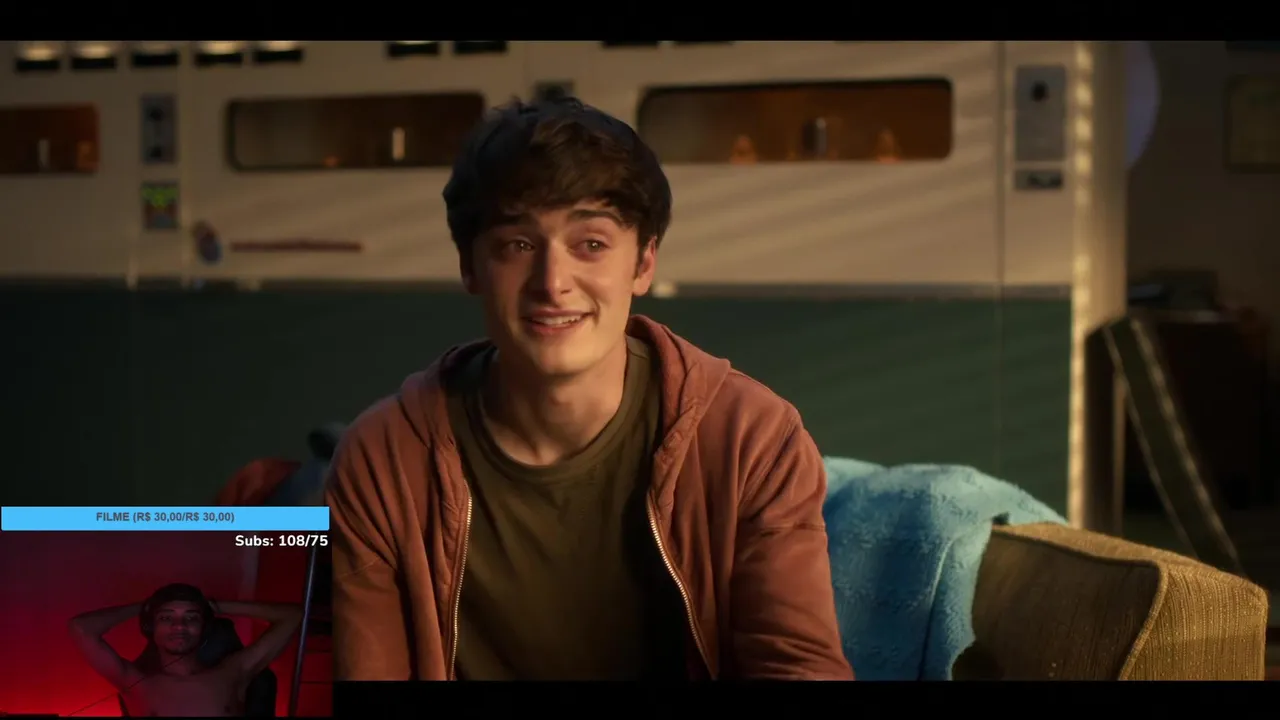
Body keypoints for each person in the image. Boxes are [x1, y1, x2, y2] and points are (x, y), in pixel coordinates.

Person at [326, 96, 854, 681]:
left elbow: (797, 669)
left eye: (591, 245)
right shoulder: (382, 460)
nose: (553, 283)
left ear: (643, 263)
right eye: (518, 245)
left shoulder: (751, 437)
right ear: (470, 267)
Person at [68, 583, 303, 716]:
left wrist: (215, 606)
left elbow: (292, 616)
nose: (179, 626)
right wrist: (147, 607)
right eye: (166, 618)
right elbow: (81, 628)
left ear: (204, 627)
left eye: (191, 618)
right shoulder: (134, 683)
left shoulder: (232, 673)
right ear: (150, 627)